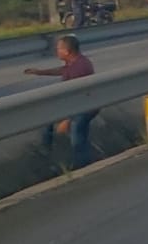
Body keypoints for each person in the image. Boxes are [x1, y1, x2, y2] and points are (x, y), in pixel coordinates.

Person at [23, 34, 97, 170]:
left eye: (59, 49)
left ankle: (82, 165)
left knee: (77, 134)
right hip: (77, 105)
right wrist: (40, 72)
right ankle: (46, 152)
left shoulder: (80, 67)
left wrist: (66, 120)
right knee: (48, 119)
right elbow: (62, 70)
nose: (57, 51)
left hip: (84, 107)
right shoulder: (74, 62)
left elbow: (80, 97)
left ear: (67, 51)